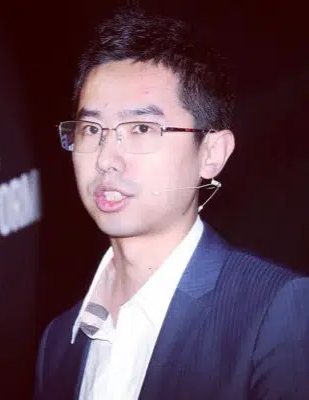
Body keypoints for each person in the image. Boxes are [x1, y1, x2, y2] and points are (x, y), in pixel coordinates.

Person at [34, 6, 309, 400]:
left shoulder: (275, 309)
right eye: (91, 129)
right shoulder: (59, 342)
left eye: (141, 128)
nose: (106, 158)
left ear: (211, 153)